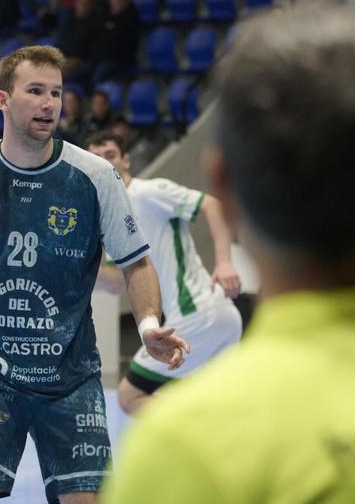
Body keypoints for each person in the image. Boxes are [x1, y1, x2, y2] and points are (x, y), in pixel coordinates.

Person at [97, 5, 355, 504]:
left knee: (132, 396)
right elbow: (122, 280)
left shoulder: (179, 454)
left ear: (224, 184)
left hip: (201, 318)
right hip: (215, 321)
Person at [0, 46, 187, 504]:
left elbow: (137, 263)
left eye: (56, 93)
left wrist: (148, 325)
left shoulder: (95, 177)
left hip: (70, 381)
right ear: (3, 100)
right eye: (35, 91)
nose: (49, 103)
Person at [86, 131, 242, 414]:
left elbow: (212, 205)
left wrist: (224, 262)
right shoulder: (107, 216)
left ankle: (185, 436)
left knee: (129, 396)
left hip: (198, 311)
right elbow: (114, 283)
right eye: (96, 158)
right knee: (218, 404)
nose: (104, 163)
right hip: (214, 317)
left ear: (126, 160)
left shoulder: (149, 192)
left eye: (110, 155)